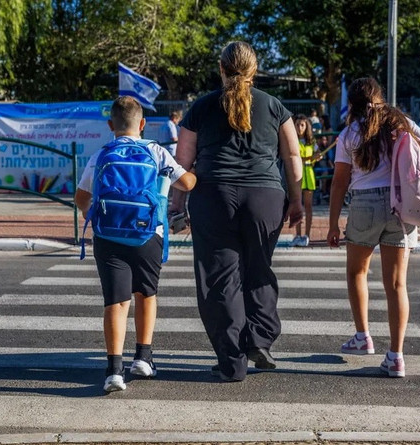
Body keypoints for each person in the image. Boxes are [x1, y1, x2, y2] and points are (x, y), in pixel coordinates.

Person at [171, 41, 303, 382]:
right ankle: (259, 338)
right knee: (259, 268)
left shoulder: (200, 108)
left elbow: (182, 163)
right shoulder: (275, 107)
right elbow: (292, 157)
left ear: (221, 67)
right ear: (254, 70)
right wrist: (298, 200)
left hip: (213, 196)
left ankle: (232, 359)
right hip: (266, 197)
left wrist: (176, 206)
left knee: (219, 279)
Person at [74, 96, 196, 392]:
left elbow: (81, 197)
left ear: (110, 125)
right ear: (142, 124)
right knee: (146, 294)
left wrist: (93, 214)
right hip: (147, 234)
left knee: (115, 303)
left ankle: (114, 371)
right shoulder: (155, 151)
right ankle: (143, 357)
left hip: (108, 235)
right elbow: (188, 183)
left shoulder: (101, 154)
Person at [327, 77, 420, 378]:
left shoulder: (348, 134)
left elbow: (339, 182)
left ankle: (362, 336)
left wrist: (332, 224)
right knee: (396, 285)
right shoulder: (401, 123)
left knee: (356, 272)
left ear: (351, 104)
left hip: (364, 204)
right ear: (380, 97)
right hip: (401, 205)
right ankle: (396, 357)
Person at [291, 114, 322, 246]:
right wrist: (309, 158)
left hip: (308, 175)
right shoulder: (292, 141)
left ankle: (307, 235)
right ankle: (297, 235)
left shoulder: (312, 142)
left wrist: (318, 156)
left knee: (308, 206)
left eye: (302, 125)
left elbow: (317, 153)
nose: (299, 127)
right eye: (297, 125)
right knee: (297, 205)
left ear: (306, 126)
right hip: (296, 175)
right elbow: (293, 157)